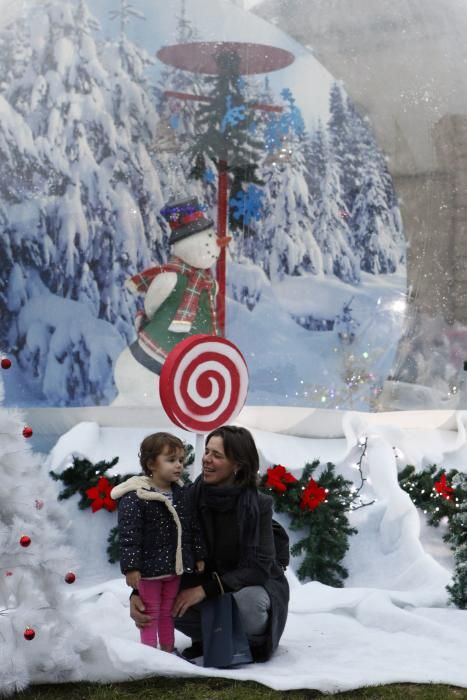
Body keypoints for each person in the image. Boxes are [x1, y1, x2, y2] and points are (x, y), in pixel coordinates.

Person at [129, 425, 289, 663]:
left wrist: (204, 591)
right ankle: (212, 639)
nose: (206, 460)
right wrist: (137, 593)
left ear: (238, 465)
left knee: (248, 604)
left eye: (217, 455)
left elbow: (258, 567)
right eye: (207, 451)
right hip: (205, 586)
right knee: (160, 599)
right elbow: (160, 547)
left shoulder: (259, 505)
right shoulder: (188, 496)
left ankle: (250, 643)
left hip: (247, 587)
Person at [111, 432, 205, 653]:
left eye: (181, 460)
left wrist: (199, 555)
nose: (178, 466)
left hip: (174, 569)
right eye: (171, 460)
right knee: (150, 612)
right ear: (151, 463)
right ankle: (149, 653)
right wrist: (132, 567)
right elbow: (129, 535)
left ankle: (168, 650)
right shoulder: (136, 497)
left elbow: (192, 527)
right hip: (149, 571)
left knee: (167, 611)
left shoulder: (181, 494)